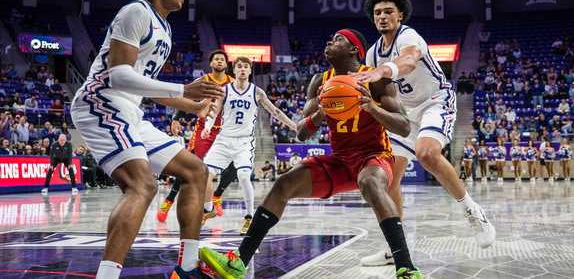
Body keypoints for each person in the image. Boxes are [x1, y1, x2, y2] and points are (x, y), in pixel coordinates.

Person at [200, 29, 423, 279]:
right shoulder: (320, 80)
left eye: (339, 39)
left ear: (355, 50)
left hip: (374, 156)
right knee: (284, 183)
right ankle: (238, 261)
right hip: (339, 160)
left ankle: (406, 267)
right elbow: (302, 133)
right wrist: (320, 113)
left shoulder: (375, 79)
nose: (330, 41)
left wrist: (371, 107)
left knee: (370, 181)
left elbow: (404, 127)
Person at [68, 0, 224, 279]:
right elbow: (119, 75)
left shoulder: (164, 28)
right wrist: (184, 88)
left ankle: (187, 269)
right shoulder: (136, 12)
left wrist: (191, 105)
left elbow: (143, 86)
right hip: (101, 102)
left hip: (130, 111)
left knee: (196, 171)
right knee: (142, 185)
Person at [354, 0, 494, 264]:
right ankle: (395, 249)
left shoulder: (409, 37)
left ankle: (473, 213)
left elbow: (407, 61)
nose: (382, 16)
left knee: (427, 153)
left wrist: (384, 70)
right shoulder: (371, 54)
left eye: (388, 11)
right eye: (378, 12)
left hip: (435, 101)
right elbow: (380, 93)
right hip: (405, 112)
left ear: (400, 15)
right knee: (387, 177)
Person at [201, 56, 297, 235]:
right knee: (205, 174)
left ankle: (248, 217)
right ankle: (208, 210)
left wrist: (293, 125)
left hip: (244, 141)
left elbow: (274, 111)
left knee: (244, 176)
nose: (243, 69)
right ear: (234, 70)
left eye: (246, 67)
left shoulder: (257, 92)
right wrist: (207, 127)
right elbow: (214, 111)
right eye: (240, 67)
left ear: (250, 71)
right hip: (224, 139)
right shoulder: (225, 90)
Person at [157, 49, 235, 223]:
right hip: (204, 130)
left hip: (225, 130)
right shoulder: (203, 81)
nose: (220, 61)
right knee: (195, 168)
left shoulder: (233, 83)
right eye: (216, 59)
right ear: (211, 63)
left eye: (222, 59)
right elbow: (187, 96)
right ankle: (169, 201)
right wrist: (177, 118)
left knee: (236, 166)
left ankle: (216, 196)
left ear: (226, 64)